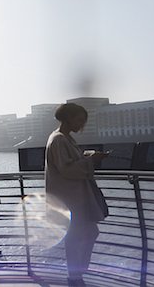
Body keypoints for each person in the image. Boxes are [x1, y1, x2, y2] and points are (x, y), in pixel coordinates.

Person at [45, 103, 109, 287]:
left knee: (81, 235)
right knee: (81, 235)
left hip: (70, 198)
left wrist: (88, 156)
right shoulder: (60, 140)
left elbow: (69, 162)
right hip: (70, 199)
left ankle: (76, 275)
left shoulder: (62, 138)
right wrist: (91, 161)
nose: (82, 124)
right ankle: (75, 276)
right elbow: (68, 169)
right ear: (68, 118)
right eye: (79, 120)